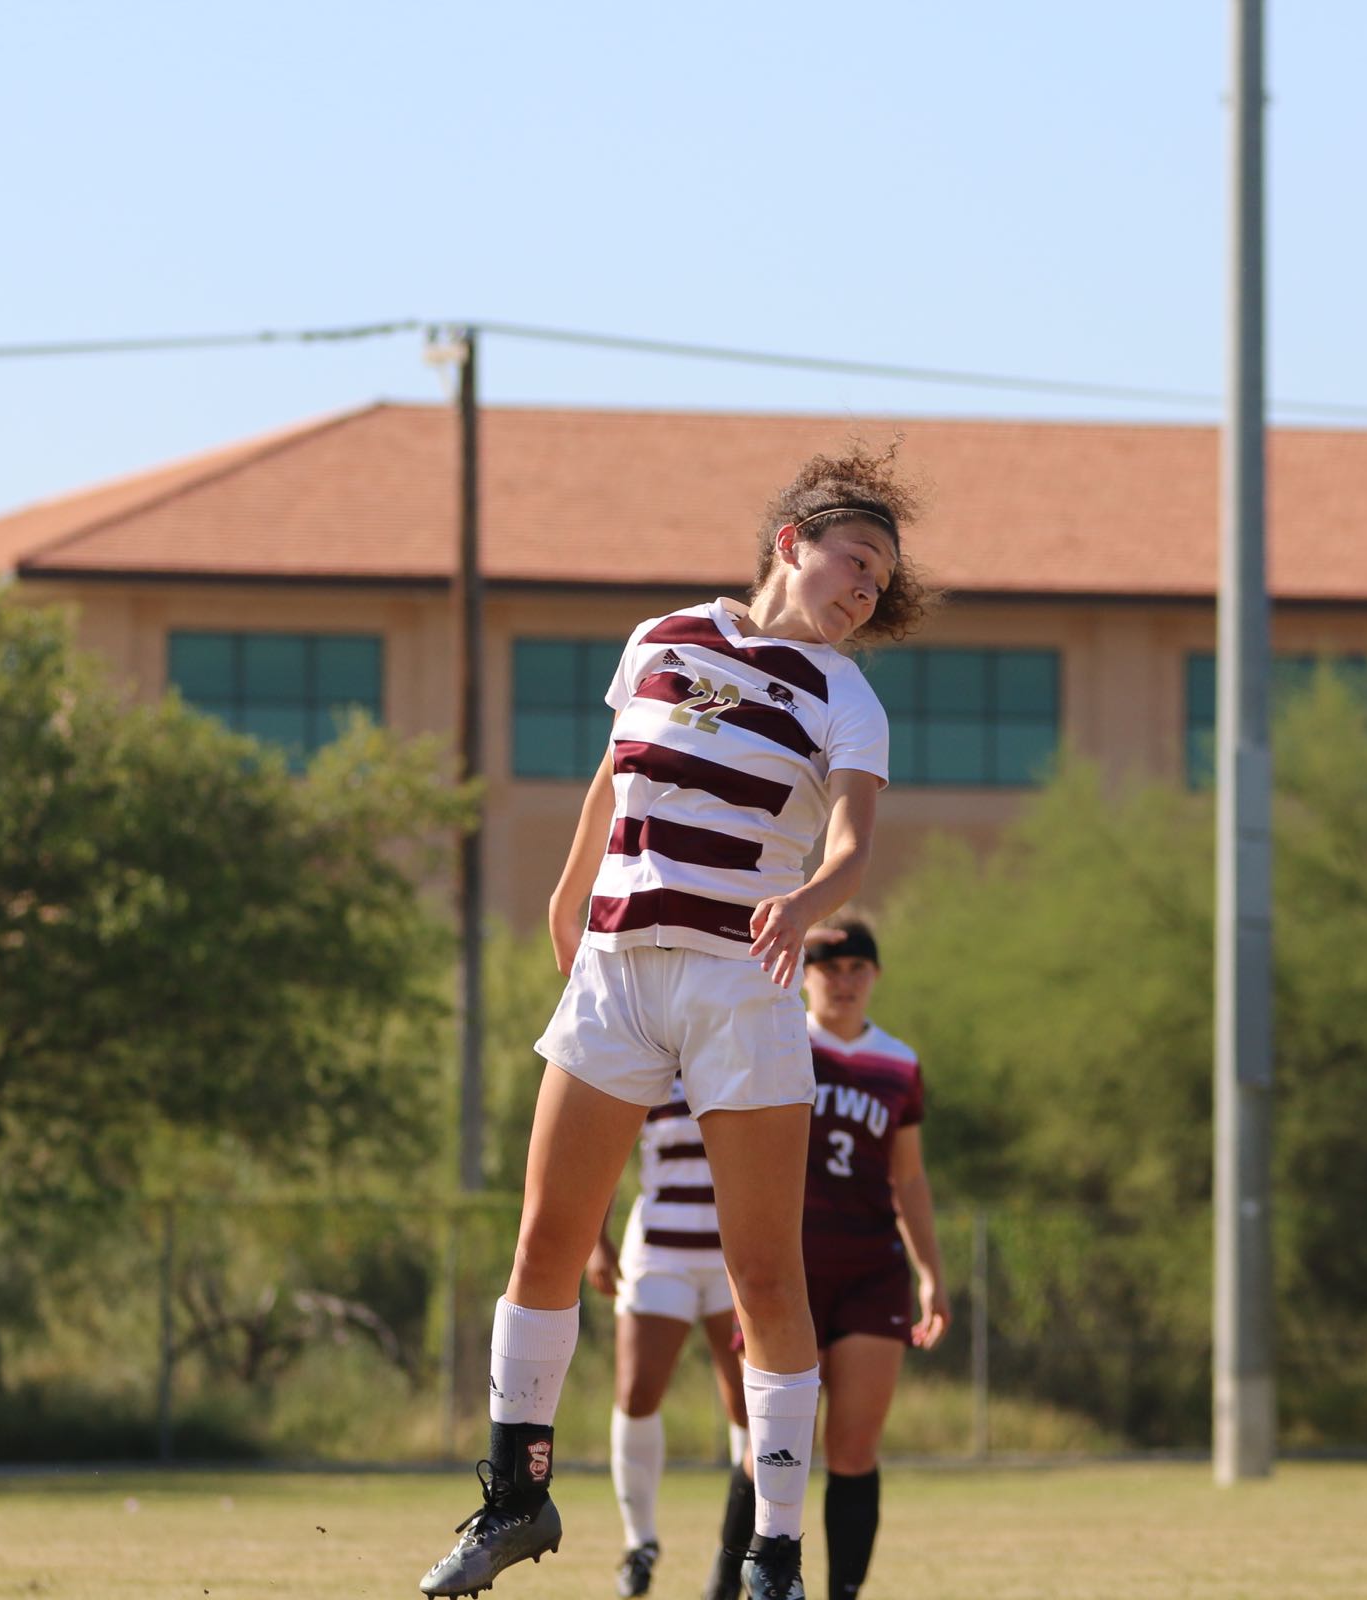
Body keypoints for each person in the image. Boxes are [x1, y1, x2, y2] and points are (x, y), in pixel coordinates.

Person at [417, 448, 935, 1600]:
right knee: (548, 1239)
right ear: (794, 538)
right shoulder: (661, 638)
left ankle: (775, 1558)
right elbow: (612, 779)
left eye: (879, 582)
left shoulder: (843, 693)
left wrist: (808, 900)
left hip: (737, 985)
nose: (863, 590)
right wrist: (565, 894)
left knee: (764, 1272)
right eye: (856, 561)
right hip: (616, 969)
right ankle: (517, 1494)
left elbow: (850, 842)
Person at [698, 919, 950, 1600]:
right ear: (801, 972)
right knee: (771, 1449)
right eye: (828, 965)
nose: (842, 979)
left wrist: (932, 1272)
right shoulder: (779, 1040)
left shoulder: (898, 1061)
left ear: (875, 976)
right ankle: (726, 1588)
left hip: (872, 1271)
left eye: (856, 967)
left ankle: (841, 1592)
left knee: (852, 1450)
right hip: (787, 1273)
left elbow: (910, 1178)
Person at [585, 1073, 746, 1598]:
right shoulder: (649, 1055)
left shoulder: (738, 1043)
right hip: (660, 1250)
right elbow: (605, 1146)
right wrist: (597, 1239)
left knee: (748, 1403)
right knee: (636, 1394)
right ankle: (640, 1543)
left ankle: (750, 1546)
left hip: (735, 1252)